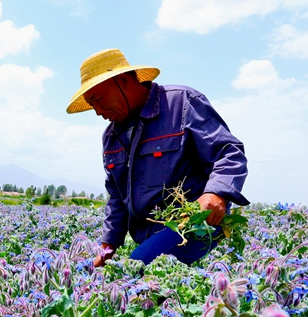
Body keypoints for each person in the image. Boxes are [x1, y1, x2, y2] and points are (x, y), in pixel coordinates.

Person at [67, 49, 249, 268]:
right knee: (127, 278)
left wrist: (216, 192)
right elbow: (117, 198)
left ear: (123, 81)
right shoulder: (112, 136)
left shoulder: (181, 103)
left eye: (97, 99)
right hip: (148, 235)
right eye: (91, 104)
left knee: (137, 269)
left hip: (193, 225)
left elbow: (228, 152)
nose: (97, 111)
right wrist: (106, 250)